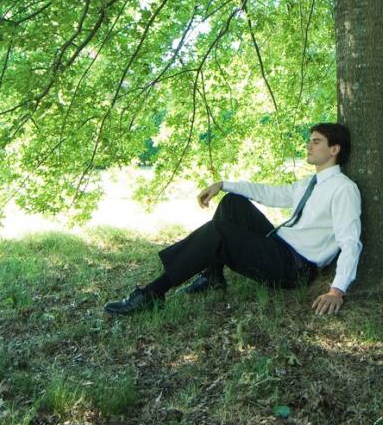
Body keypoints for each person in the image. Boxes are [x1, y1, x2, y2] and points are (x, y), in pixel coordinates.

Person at [104, 122, 362, 317]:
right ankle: (212, 276)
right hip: (279, 247)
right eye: (310, 140)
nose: (309, 145)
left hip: (294, 266)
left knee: (219, 231)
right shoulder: (311, 182)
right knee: (233, 203)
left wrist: (337, 290)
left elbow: (350, 241)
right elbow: (272, 194)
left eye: (316, 142)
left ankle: (152, 294)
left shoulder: (343, 189)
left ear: (334, 149)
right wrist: (224, 184)